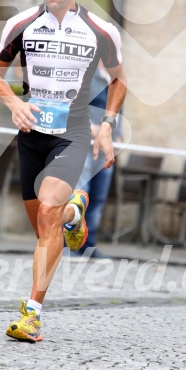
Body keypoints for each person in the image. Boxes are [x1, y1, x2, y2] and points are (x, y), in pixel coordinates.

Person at [0, 0, 127, 342]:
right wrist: (15, 102)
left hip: (74, 133)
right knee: (44, 226)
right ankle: (73, 213)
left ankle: (32, 314)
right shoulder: (21, 25)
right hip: (32, 134)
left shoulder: (101, 31)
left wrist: (107, 126)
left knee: (46, 211)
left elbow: (120, 81)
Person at [68, 64, 122, 263]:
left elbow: (117, 110)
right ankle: (69, 246)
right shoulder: (82, 73)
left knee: (98, 197)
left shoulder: (115, 77)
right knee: (79, 193)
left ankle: (88, 245)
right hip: (83, 143)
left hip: (106, 147)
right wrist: (88, 126)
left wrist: (118, 135)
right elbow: (70, 104)